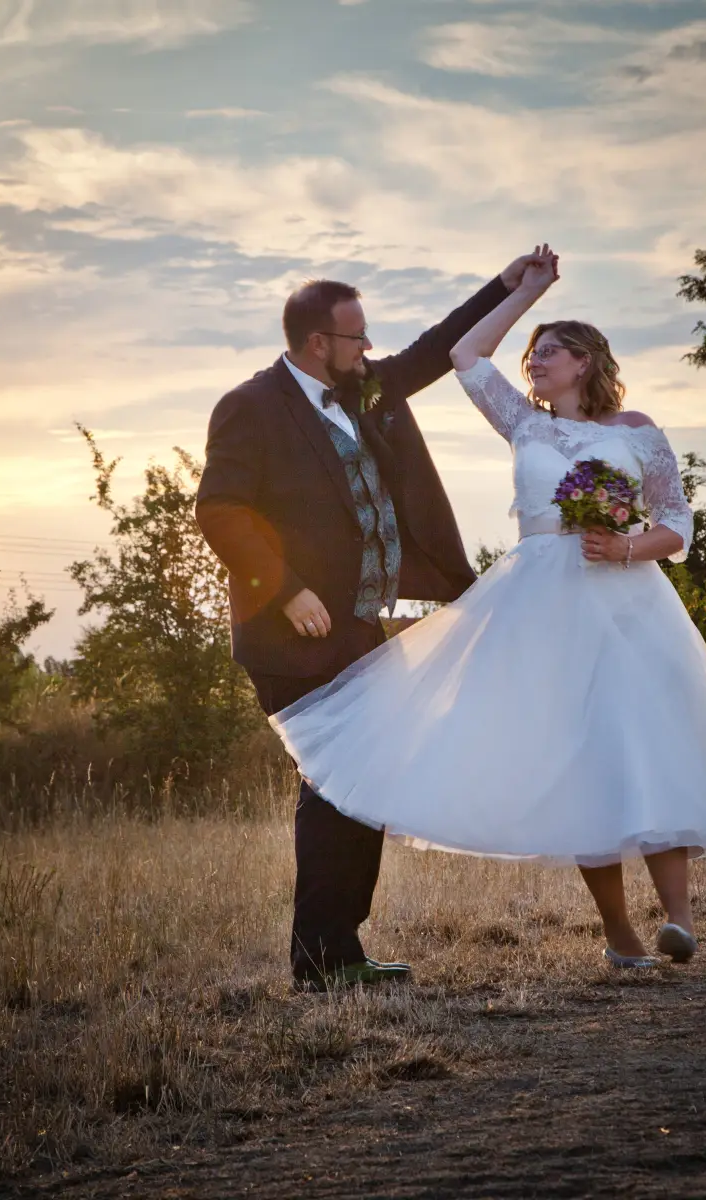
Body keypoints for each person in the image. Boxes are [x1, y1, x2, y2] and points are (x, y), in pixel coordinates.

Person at [270, 251, 706, 969]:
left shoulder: (636, 431)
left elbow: (679, 525)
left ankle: (681, 919)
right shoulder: (523, 426)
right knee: (585, 762)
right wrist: (525, 293)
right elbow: (465, 353)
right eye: (532, 352)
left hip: (630, 604)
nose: (534, 361)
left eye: (550, 351)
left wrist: (625, 547)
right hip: (543, 607)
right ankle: (619, 934)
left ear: (587, 362)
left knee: (651, 747)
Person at [196, 248, 550, 990]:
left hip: (358, 623)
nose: (368, 348)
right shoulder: (250, 407)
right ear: (317, 343)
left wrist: (506, 284)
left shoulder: (362, 388)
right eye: (356, 337)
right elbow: (219, 510)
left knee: (363, 782)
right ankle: (322, 958)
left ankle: (337, 952)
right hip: (289, 631)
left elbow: (430, 350)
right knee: (334, 782)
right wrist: (286, 589)